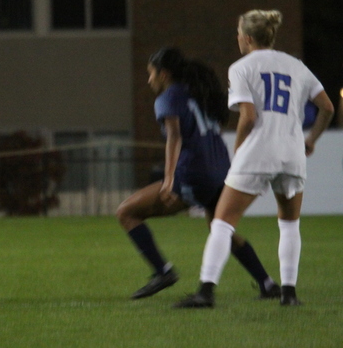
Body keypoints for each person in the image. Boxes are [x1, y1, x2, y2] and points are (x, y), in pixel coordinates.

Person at [175, 10, 334, 308]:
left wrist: (239, 149)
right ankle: (289, 294)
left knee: (222, 222)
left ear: (247, 38)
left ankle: (205, 291)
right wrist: (311, 140)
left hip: (259, 151)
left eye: (238, 34)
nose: (237, 38)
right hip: (292, 154)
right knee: (289, 224)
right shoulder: (296, 65)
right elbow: (327, 107)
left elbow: (248, 116)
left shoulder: (241, 68)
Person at [117, 47, 279, 300]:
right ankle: (267, 284)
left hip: (194, 174)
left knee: (126, 212)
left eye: (151, 73)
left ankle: (163, 271)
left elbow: (175, 136)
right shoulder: (199, 93)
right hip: (221, 171)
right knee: (221, 228)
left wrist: (169, 179)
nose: (149, 80)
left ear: (164, 74)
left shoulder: (168, 97)